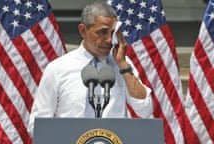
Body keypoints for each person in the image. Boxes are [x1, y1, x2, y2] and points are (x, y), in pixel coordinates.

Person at [28, 1, 153, 135]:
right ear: (83, 30)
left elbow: (145, 110)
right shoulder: (57, 69)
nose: (109, 40)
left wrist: (123, 65)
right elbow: (36, 126)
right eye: (102, 32)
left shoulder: (122, 64)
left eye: (112, 33)